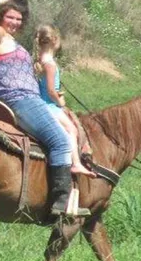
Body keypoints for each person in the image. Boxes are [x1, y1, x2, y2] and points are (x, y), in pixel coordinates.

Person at [0, 0, 86, 218]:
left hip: (25, 99)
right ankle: (61, 200)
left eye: (19, 19)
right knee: (60, 141)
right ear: (1, 17)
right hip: (20, 101)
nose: (14, 22)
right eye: (10, 16)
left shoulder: (12, 42)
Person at [34, 25, 96, 178]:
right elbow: (50, 91)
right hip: (49, 105)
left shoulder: (39, 60)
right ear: (55, 40)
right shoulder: (50, 64)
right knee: (72, 129)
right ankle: (75, 163)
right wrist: (60, 101)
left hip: (42, 102)